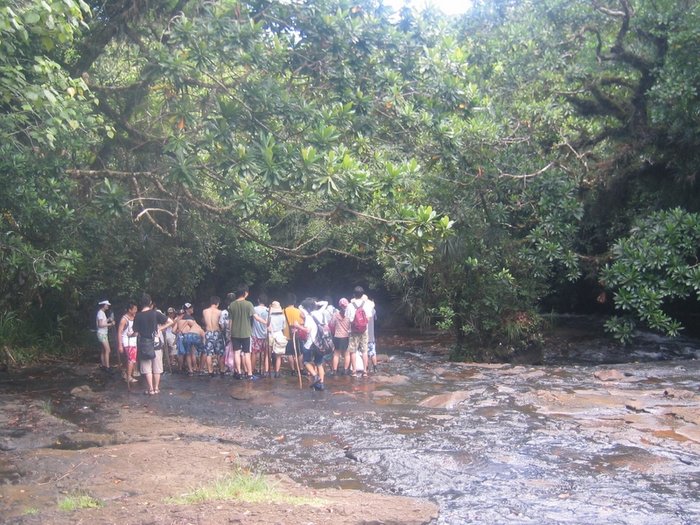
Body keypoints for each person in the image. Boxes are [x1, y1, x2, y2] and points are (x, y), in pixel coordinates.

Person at [132, 294, 173, 395]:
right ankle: (156, 388)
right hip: (156, 342)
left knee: (147, 366)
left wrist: (130, 335)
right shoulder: (155, 313)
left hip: (144, 344)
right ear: (150, 303)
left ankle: (150, 389)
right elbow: (170, 321)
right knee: (157, 366)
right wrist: (160, 328)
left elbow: (136, 332)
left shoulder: (138, 315)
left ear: (141, 304)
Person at [228, 285, 266, 379]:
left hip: (235, 333)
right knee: (247, 354)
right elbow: (256, 317)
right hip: (246, 333)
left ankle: (239, 373)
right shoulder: (249, 304)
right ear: (245, 293)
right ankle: (249, 374)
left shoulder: (232, 305)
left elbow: (230, 322)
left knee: (236, 353)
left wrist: (229, 333)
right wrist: (266, 322)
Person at [346, 286, 375, 377]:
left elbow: (348, 319)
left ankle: (354, 371)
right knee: (364, 350)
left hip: (353, 331)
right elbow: (369, 317)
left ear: (354, 295)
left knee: (353, 351)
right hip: (364, 330)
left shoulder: (350, 305)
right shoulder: (366, 304)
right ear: (362, 295)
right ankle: (365, 371)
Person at [299, 297, 324, 390]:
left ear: (307, 308)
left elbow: (307, 330)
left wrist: (298, 326)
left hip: (310, 344)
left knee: (305, 361)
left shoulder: (309, 317)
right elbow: (325, 303)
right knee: (319, 364)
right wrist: (316, 303)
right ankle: (321, 384)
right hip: (320, 343)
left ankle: (315, 376)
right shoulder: (319, 313)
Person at [279, 293, 304, 376]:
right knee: (299, 353)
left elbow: (281, 324)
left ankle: (293, 370)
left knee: (289, 353)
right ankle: (301, 369)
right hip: (297, 335)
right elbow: (302, 323)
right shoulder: (299, 311)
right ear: (294, 301)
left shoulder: (283, 311)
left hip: (287, 336)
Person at [116, 301, 139, 383]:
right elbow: (119, 332)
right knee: (131, 359)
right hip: (127, 342)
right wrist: (120, 345)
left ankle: (127, 374)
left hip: (133, 340)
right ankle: (129, 377)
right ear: (130, 310)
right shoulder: (124, 319)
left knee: (131, 359)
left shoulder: (135, 317)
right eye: (134, 309)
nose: (136, 310)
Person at [202, 296, 224, 376]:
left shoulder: (204, 311)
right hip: (217, 332)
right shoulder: (219, 312)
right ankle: (222, 370)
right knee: (220, 353)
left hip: (208, 332)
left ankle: (210, 371)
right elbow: (221, 323)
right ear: (217, 303)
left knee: (209, 353)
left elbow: (204, 322)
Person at [331, 297, 351, 375]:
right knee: (347, 353)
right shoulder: (349, 315)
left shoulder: (335, 315)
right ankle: (346, 370)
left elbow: (332, 324)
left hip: (337, 336)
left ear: (340, 305)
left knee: (336, 354)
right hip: (346, 336)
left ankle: (335, 371)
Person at [251, 294, 270, 376]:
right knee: (265, 354)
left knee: (254, 353)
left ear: (258, 300)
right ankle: (264, 370)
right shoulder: (268, 310)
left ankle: (251, 369)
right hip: (265, 335)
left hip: (255, 334)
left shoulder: (254, 309)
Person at [267, 300, 286, 378]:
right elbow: (283, 327)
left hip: (271, 334)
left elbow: (267, 326)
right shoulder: (282, 316)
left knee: (268, 354)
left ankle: (267, 370)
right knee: (278, 355)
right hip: (279, 334)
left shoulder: (269, 316)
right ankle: (277, 372)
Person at [96, 300, 115, 372]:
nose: (108, 306)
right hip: (102, 333)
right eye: (107, 305)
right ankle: (107, 367)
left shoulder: (101, 313)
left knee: (103, 350)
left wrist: (108, 319)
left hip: (102, 333)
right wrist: (110, 324)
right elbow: (100, 325)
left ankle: (103, 365)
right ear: (104, 305)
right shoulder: (100, 313)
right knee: (108, 350)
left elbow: (102, 322)